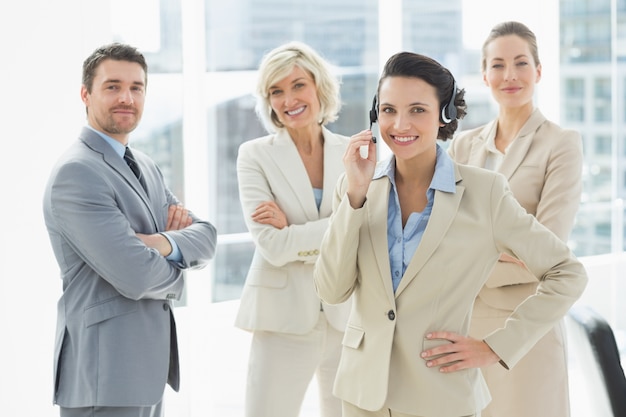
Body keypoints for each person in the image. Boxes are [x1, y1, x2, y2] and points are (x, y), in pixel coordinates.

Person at [313, 51, 587, 417]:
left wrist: (496, 346)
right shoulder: (356, 188)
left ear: (445, 116)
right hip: (363, 397)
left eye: (417, 110)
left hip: (441, 397)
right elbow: (332, 289)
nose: (400, 124)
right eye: (389, 110)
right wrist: (355, 198)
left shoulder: (484, 192)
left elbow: (567, 273)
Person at [43, 43, 217, 417]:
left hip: (144, 369)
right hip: (104, 373)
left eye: (136, 87)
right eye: (113, 86)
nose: (127, 97)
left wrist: (160, 243)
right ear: (85, 94)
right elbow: (135, 275)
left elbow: (206, 236)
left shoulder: (145, 165)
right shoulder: (77, 173)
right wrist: (179, 268)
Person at [447, 21, 584, 417]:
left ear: (539, 71)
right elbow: (439, 232)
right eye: (498, 65)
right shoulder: (462, 145)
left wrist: (469, 254)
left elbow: (548, 247)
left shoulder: (560, 144)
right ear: (484, 75)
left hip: (526, 329)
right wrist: (495, 249)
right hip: (464, 326)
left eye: (521, 63)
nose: (510, 75)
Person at [234, 41, 351, 417]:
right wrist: (338, 228)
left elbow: (367, 231)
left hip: (346, 316)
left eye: (298, 85)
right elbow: (273, 246)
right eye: (276, 91)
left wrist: (294, 232)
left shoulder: (354, 152)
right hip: (281, 318)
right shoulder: (254, 155)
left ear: (319, 87)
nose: (289, 99)